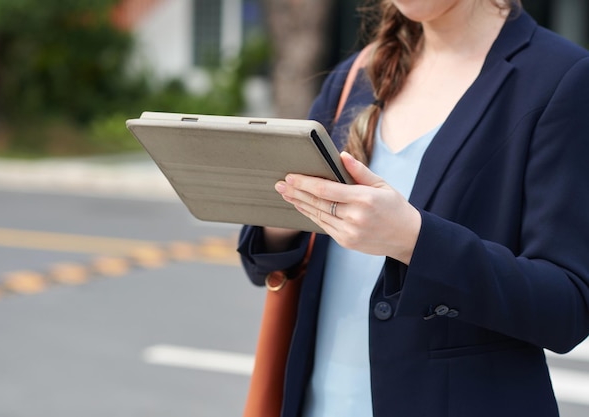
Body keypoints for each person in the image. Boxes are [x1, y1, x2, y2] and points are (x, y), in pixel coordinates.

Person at [237, 0, 589, 416]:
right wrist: (284, 207)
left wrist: (414, 240)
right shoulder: (354, 75)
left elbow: (566, 307)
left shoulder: (561, 76)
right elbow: (264, 261)